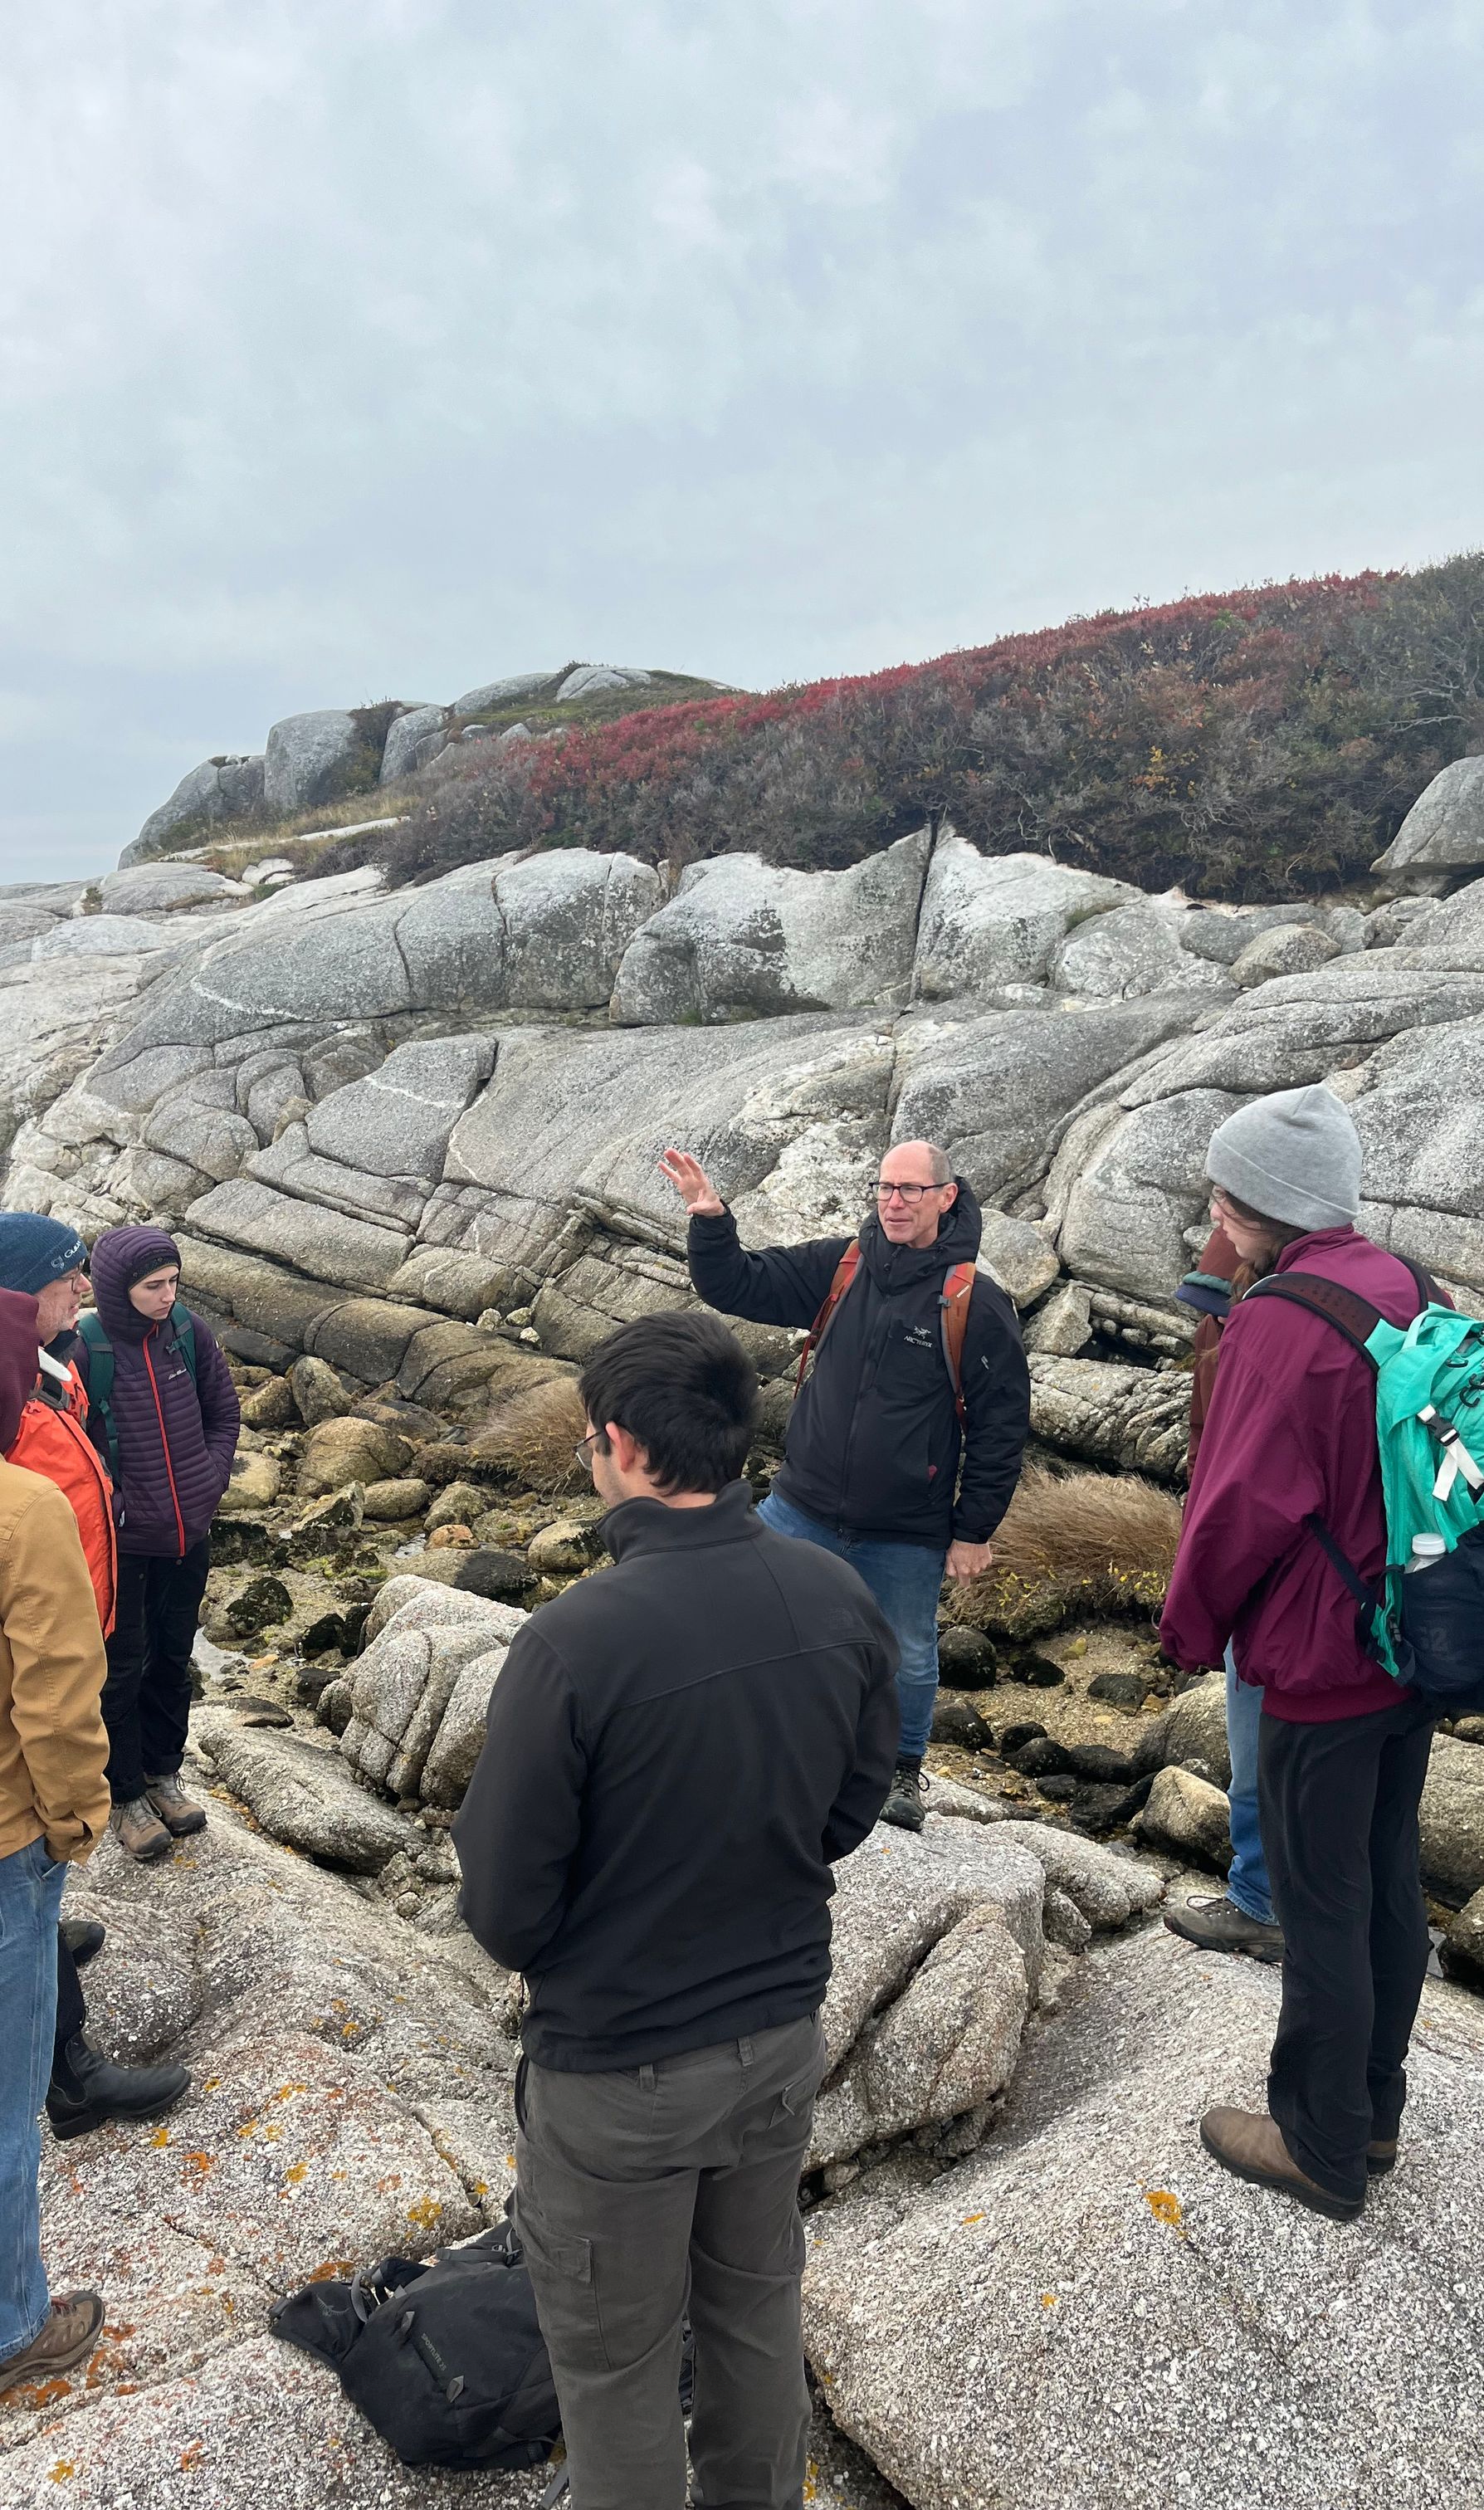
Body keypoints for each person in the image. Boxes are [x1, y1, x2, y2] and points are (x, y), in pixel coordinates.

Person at [455, 1311, 899, 2510]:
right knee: (756, 2312)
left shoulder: (572, 1644)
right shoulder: (836, 1593)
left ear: (621, 1446)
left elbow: (503, 1906)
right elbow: (854, 1803)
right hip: (777, 2039)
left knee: (617, 2361)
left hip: (621, 2070)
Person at [1160, 1085, 1438, 2222]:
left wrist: (1188, 1629)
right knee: (1387, 1880)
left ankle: (1319, 2146)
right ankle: (1373, 2111)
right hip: (1412, 1638)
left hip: (1322, 1658)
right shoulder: (1411, 1283)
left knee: (1320, 1899)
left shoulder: (1278, 1321)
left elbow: (1238, 1507)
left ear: (1255, 1204)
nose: (1214, 1218)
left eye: (1222, 1199)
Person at [661, 1138, 1029, 1833]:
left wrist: (974, 1529)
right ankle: (735, 1733)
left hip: (907, 1528)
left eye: (911, 1189)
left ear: (946, 1197)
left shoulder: (974, 1301)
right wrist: (710, 1221)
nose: (895, 1202)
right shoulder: (842, 1265)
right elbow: (737, 1284)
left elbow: (1001, 1426)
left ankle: (900, 1770)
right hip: (801, 1504)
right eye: (885, 1187)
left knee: (906, 1654)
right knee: (739, 1610)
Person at [0, 1229, 190, 2140]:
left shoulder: (52, 1369)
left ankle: (41, 1934)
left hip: (79, 1614)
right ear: (15, 1294)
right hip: (38, 1638)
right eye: (63, 1275)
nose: (81, 1285)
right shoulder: (14, 1402)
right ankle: (68, 2074)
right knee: (35, 1836)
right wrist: (76, 1813)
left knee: (36, 1881)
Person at [0, 1294, 110, 2395]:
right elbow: (57, 1695)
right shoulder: (21, 1506)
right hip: (5, 1842)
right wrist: (77, 1818)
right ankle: (11, 2327)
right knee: (3, 2100)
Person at [79, 1227, 239, 1863]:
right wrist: (115, 1507)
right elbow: (70, 1449)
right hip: (122, 1546)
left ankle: (163, 1776)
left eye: (173, 1281)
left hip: (186, 1536)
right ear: (118, 1287)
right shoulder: (85, 1348)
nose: (168, 1295)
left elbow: (223, 1414)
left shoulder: (187, 1333)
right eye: (153, 1286)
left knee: (174, 1659)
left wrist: (209, 1482)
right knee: (120, 1667)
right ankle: (124, 1797)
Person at [1162, 1221, 1284, 1965]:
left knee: (1257, 1749)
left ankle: (1261, 1903)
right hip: (1346, 1585)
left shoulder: (1251, 1335)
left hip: (1271, 1586)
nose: (1208, 1325)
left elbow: (1232, 1477)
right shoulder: (1233, 1331)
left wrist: (1201, 1597)